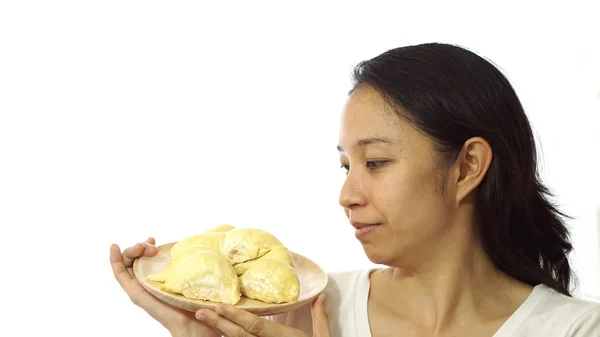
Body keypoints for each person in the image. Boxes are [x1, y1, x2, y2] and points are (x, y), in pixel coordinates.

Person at [110, 42, 600, 337]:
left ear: (468, 165)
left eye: (376, 162)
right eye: (345, 165)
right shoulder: (301, 311)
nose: (347, 194)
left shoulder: (576, 330)